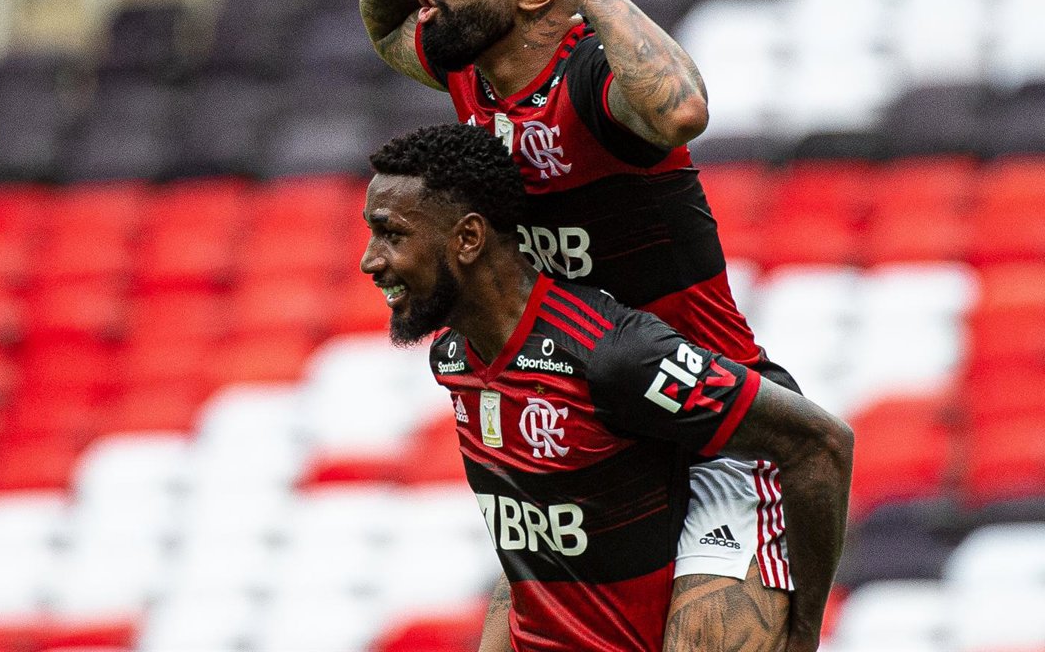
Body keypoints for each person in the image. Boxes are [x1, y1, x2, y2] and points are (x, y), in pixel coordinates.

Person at [358, 0, 819, 652]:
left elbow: (684, 110)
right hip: (588, 432)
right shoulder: (473, 72)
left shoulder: (596, 81)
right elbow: (387, 30)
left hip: (701, 424)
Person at [359, 123, 852, 652]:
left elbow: (820, 442)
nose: (370, 260)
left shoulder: (612, 355)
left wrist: (803, 635)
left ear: (469, 239)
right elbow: (529, 546)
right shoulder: (453, 358)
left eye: (391, 234)